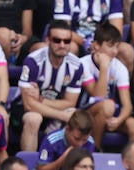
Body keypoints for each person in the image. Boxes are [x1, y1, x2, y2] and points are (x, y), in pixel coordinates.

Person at [15, 20, 83, 153]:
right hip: (22, 110)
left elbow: (70, 102)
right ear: (48, 41)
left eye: (67, 41)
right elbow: (28, 105)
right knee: (34, 118)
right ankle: (28, 167)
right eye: (57, 40)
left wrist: (41, 100)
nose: (62, 45)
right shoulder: (33, 61)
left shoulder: (76, 65)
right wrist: (61, 115)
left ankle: (62, 164)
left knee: (75, 114)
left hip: (49, 108)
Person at [78, 22, 134, 149]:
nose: (114, 51)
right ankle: (94, 152)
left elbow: (127, 105)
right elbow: (98, 96)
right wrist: (104, 68)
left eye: (117, 46)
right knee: (107, 106)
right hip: (84, 113)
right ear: (96, 45)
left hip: (109, 113)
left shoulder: (120, 68)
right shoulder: (82, 64)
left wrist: (119, 120)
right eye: (110, 46)